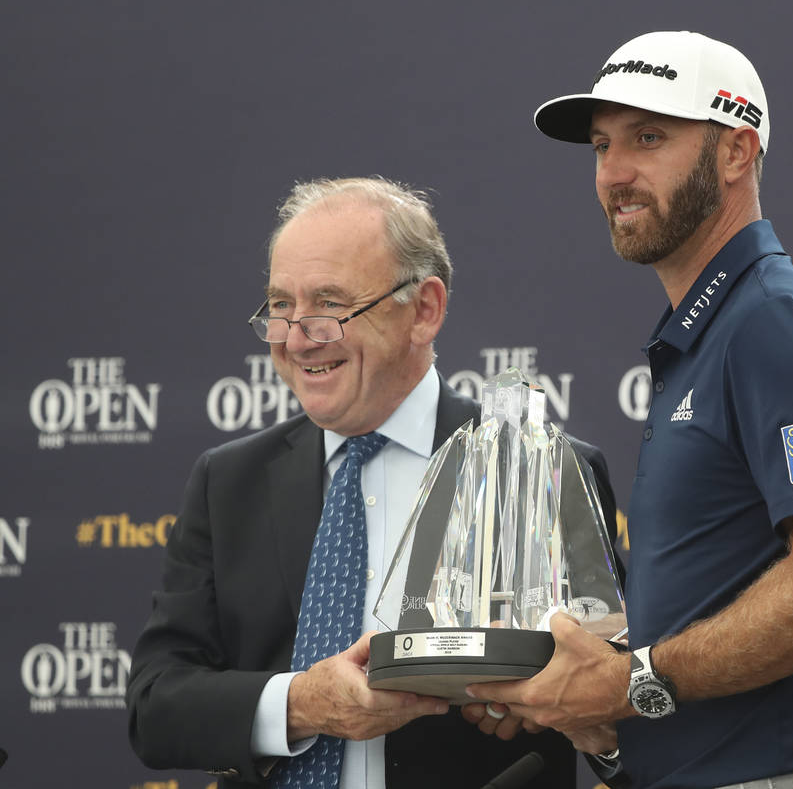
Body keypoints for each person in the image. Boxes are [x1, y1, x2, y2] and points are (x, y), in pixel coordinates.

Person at [467, 31, 793, 789]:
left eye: (650, 137)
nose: (615, 173)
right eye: (603, 146)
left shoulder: (777, 323)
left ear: (736, 153)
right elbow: (720, 592)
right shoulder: (716, 330)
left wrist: (630, 681)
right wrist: (580, 675)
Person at [126, 176, 619, 788]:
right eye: (281, 306)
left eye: (329, 304)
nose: (298, 338)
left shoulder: (535, 468)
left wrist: (560, 709)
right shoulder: (227, 482)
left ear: (424, 310)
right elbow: (155, 704)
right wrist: (300, 703)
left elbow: (615, 704)